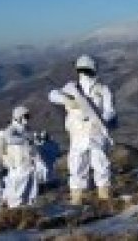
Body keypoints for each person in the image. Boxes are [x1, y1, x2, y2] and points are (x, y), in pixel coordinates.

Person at [49, 54, 117, 205]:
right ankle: (77, 200)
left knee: (101, 164)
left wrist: (102, 119)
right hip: (78, 134)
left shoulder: (103, 89)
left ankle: (104, 198)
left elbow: (110, 111)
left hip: (96, 132)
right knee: (77, 167)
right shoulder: (71, 88)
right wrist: (66, 100)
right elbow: (52, 95)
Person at [0, 105, 38, 209]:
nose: (28, 119)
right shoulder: (11, 129)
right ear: (18, 117)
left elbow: (32, 145)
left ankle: (26, 215)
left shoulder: (27, 130)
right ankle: (14, 214)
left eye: (28, 116)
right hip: (18, 167)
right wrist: (25, 139)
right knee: (17, 194)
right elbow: (9, 139)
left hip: (29, 166)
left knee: (30, 194)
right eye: (26, 116)